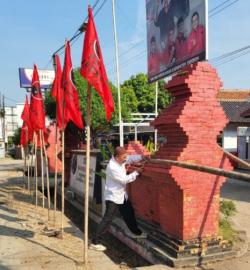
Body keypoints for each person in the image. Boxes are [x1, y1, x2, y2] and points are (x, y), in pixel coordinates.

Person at [89, 147, 146, 251]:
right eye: (124, 157)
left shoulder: (120, 160)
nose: (125, 159)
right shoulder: (112, 167)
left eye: (125, 157)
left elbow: (130, 158)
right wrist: (137, 172)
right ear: (116, 157)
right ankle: (95, 242)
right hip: (113, 196)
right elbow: (124, 180)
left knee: (129, 212)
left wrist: (142, 157)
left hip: (122, 195)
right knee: (108, 219)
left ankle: (136, 232)